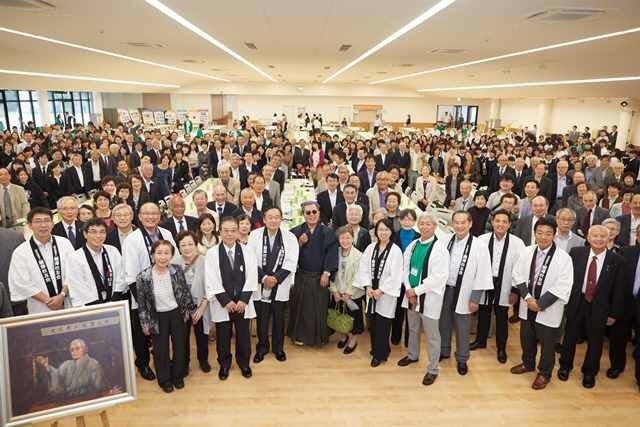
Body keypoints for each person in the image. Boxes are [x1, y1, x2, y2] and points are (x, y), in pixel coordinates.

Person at [558, 225, 625, 388]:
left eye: (603, 236)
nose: (599, 239)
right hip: (577, 302)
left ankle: (589, 372)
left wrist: (613, 314)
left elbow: (619, 289)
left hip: (600, 306)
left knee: (595, 340)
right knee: (570, 336)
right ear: (588, 238)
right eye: (595, 235)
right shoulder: (576, 253)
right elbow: (566, 278)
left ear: (609, 238)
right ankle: (565, 366)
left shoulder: (617, 260)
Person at [510, 218, 573, 390]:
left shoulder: (563, 258)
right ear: (534, 233)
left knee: (547, 343)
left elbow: (563, 285)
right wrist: (528, 298)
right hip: (527, 303)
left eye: (548, 233)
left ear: (554, 235)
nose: (543, 237)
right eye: (540, 233)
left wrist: (540, 304)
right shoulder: (527, 251)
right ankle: (528, 363)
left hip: (548, 307)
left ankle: (544, 373)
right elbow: (517, 274)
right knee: (526, 337)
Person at [120, 202, 176, 382]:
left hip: (165, 293)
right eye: (146, 213)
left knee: (162, 333)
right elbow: (130, 275)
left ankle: (163, 360)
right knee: (142, 333)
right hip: (142, 295)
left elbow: (174, 261)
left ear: (160, 216)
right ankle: (143, 363)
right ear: (140, 216)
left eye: (154, 213)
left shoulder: (166, 234)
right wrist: (144, 303)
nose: (151, 217)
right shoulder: (132, 239)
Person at [397, 213, 449, 385]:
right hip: (411, 295)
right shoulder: (413, 245)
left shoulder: (439, 248)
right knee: (412, 328)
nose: (425, 227)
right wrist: (408, 288)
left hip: (428, 298)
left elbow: (438, 277)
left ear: (434, 227)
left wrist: (416, 291)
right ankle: (413, 355)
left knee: (432, 335)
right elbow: (405, 268)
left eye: (428, 224)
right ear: (418, 226)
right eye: (422, 223)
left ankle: (433, 369)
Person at [136, 240, 195, 393]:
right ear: (152, 255)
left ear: (172, 255)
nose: (163, 257)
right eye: (159, 253)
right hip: (157, 317)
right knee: (160, 350)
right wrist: (145, 324)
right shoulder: (143, 276)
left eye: (167, 253)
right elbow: (142, 304)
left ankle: (178, 376)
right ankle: (164, 380)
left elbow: (185, 292)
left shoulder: (177, 270)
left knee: (180, 347)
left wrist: (191, 311)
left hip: (177, 314)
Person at [440, 210, 493, 375]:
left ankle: (462, 358)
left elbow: (483, 273)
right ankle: (444, 350)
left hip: (465, 292)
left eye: (463, 222)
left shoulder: (479, 246)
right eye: (456, 222)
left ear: (470, 224)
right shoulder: (444, 240)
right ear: (452, 224)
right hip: (445, 289)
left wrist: (475, 298)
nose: (459, 226)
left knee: (462, 326)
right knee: (444, 322)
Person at [205, 216, 258, 380]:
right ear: (220, 232)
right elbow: (211, 279)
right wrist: (226, 301)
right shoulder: (212, 254)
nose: (229, 234)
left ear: (238, 232)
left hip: (242, 302)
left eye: (233, 230)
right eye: (226, 231)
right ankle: (224, 364)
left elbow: (252, 275)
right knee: (223, 335)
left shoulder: (247, 251)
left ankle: (244, 363)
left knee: (243, 335)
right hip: (223, 303)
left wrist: (243, 300)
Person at [247, 207, 299, 363]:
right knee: (262, 318)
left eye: (277, 217)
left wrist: (275, 278)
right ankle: (262, 347)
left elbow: (292, 261)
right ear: (264, 219)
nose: (273, 220)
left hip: (280, 283)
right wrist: (264, 278)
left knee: (279, 318)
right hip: (261, 283)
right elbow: (250, 259)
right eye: (270, 217)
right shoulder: (254, 235)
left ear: (281, 219)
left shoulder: (290, 237)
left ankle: (278, 348)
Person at [475, 210, 525, 363]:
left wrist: (515, 290)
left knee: (502, 316)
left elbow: (520, 269)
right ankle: (480, 341)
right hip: (486, 281)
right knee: (483, 312)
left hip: (506, 283)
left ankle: (501, 348)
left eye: (504, 221)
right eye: (497, 221)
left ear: (509, 224)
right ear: (492, 222)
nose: (500, 224)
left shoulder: (517, 243)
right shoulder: (482, 240)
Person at [354, 219, 403, 367]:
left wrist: (381, 290)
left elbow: (396, 275)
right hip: (371, 292)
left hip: (385, 294)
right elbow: (363, 268)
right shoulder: (370, 248)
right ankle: (378, 348)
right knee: (373, 323)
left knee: (383, 324)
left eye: (386, 229)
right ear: (376, 232)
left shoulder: (395, 251)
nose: (383, 232)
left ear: (391, 232)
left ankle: (379, 355)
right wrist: (368, 287)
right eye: (380, 229)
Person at [288, 201, 338, 346]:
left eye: (314, 212)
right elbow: (289, 255)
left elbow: (332, 253)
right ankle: (299, 336)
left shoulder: (328, 232)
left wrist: (327, 273)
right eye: (308, 212)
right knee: (301, 308)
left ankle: (318, 337)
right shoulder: (296, 231)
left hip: (319, 276)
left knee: (319, 308)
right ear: (303, 215)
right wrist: (299, 244)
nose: (311, 215)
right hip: (302, 276)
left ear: (319, 213)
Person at [8, 207, 75, 314]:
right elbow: (21, 282)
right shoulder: (21, 252)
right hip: (39, 308)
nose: (43, 225)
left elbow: (74, 271)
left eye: (47, 220)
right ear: (30, 225)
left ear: (52, 223)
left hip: (67, 302)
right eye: (38, 221)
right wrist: (48, 301)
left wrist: (62, 295)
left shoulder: (64, 243)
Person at [174, 231, 211, 374]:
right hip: (181, 307)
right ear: (178, 247)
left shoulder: (205, 261)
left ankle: (203, 359)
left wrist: (201, 308)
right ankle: (184, 362)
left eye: (190, 244)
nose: (187, 247)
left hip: (201, 304)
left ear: (196, 245)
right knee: (182, 336)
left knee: (202, 335)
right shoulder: (174, 262)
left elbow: (210, 285)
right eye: (183, 245)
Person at [67, 218, 125, 306]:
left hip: (114, 303)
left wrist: (116, 295)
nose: (98, 236)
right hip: (88, 306)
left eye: (102, 232)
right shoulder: (75, 257)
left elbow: (122, 274)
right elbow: (76, 285)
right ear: (85, 234)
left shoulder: (113, 251)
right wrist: (95, 304)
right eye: (93, 232)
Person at [329, 226, 365, 354]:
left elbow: (358, 276)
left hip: (352, 294)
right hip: (337, 293)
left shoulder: (359, 256)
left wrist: (348, 293)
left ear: (353, 238)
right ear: (338, 239)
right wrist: (334, 291)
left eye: (348, 238)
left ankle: (353, 341)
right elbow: (330, 272)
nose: (345, 241)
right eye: (342, 238)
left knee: (353, 319)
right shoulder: (335, 252)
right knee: (339, 316)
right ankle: (343, 336)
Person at [33, 338, 105, 398]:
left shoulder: (93, 364)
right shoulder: (66, 364)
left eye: (77, 348)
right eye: (72, 350)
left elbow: (98, 387)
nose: (74, 351)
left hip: (87, 399)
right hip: (68, 399)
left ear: (85, 349)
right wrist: (47, 367)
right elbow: (57, 377)